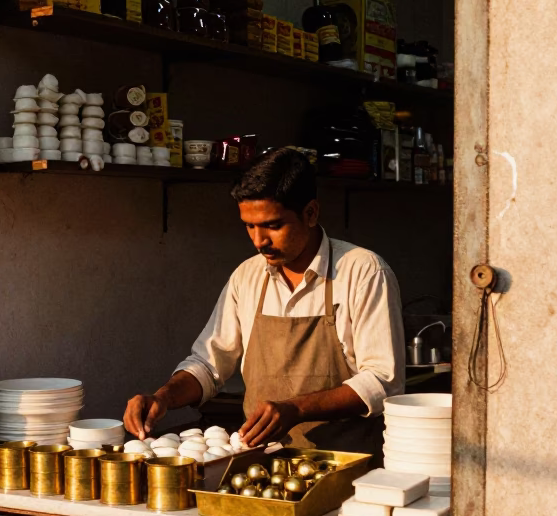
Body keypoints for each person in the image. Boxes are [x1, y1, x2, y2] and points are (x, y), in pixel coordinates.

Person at [123, 147, 405, 454]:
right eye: (249, 226)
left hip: (346, 464)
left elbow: (383, 382)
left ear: (310, 213)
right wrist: (164, 397)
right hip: (262, 463)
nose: (259, 241)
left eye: (273, 225)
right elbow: (208, 363)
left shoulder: (362, 271)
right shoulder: (248, 276)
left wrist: (295, 409)